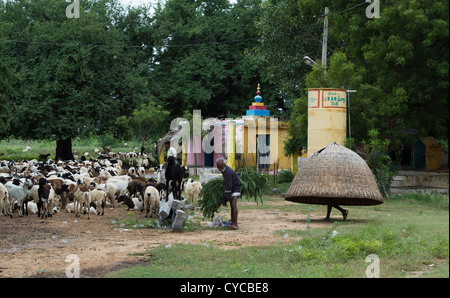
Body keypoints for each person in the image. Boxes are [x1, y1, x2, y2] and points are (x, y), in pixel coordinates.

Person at [216, 158, 242, 230]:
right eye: (218, 167)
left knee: (233, 204)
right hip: (232, 188)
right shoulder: (224, 170)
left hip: (236, 188)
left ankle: (235, 224)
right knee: (232, 205)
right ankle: (232, 222)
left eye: (220, 167)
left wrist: (224, 199)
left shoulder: (227, 172)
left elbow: (229, 186)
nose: (219, 168)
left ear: (224, 165)